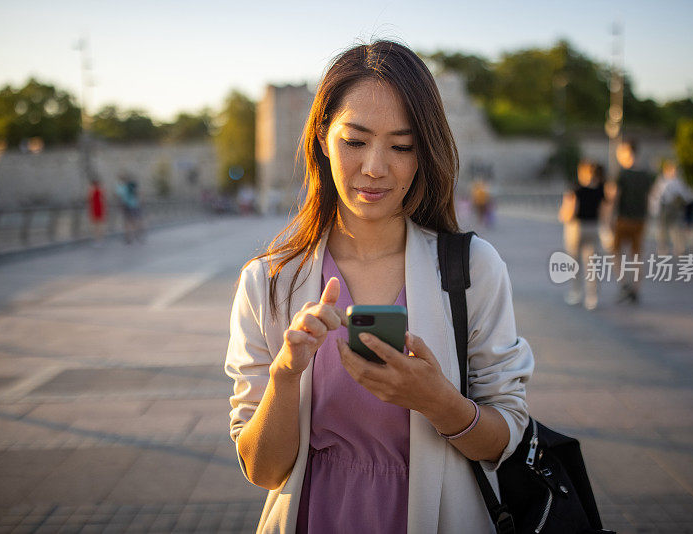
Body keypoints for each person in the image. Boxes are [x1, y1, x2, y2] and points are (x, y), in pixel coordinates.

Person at [224, 40, 535, 534]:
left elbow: (507, 440)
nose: (374, 167)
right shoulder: (269, 282)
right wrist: (286, 374)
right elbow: (263, 471)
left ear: (424, 153)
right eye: (355, 140)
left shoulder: (473, 269)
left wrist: (438, 401)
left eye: (401, 146)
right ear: (322, 138)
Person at [606, 139, 655, 304]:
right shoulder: (646, 174)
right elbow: (649, 199)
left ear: (627, 151)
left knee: (616, 252)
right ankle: (635, 289)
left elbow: (614, 197)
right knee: (636, 256)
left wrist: (609, 219)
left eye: (621, 152)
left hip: (623, 219)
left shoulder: (622, 174)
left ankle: (624, 284)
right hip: (640, 220)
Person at [558, 160, 606, 310]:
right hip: (594, 227)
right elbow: (604, 211)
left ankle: (576, 293)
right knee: (592, 265)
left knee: (575, 263)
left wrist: (563, 216)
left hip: (576, 227)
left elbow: (570, 210)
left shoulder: (575, 189)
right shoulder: (600, 189)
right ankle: (592, 297)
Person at [649, 159, 691, 256]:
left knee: (675, 228)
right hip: (665, 207)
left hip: (673, 207)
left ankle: (679, 248)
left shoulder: (676, 182)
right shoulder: (663, 181)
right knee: (663, 229)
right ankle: (663, 247)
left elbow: (686, 195)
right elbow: (656, 195)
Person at [87, 179, 106, 246]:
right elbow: (103, 199)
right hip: (99, 207)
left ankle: (97, 239)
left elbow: (89, 199)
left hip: (95, 208)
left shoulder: (92, 190)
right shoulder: (101, 190)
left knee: (96, 225)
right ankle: (100, 239)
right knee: (99, 224)